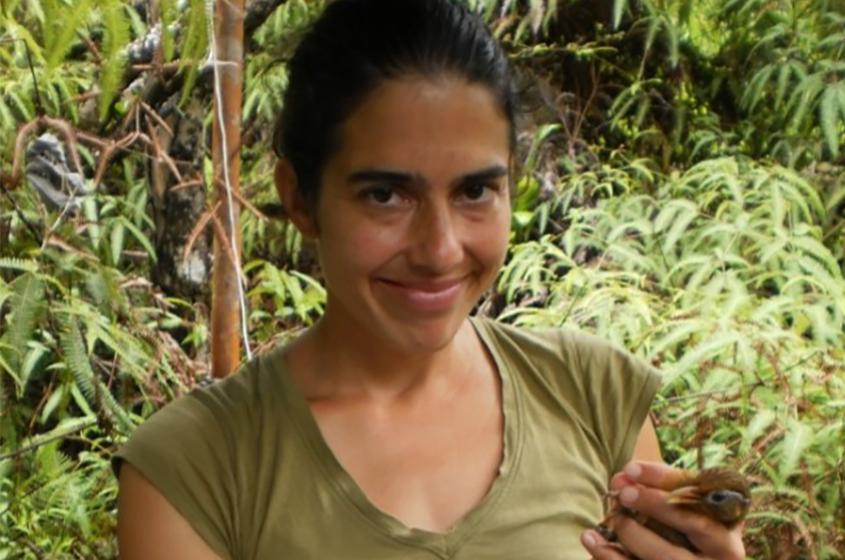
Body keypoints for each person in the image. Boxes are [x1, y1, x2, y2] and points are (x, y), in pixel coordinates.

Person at [115, 1, 746, 558]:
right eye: (386, 195)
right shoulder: (194, 470)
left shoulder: (591, 395)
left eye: (475, 190)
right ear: (301, 199)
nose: (440, 249)